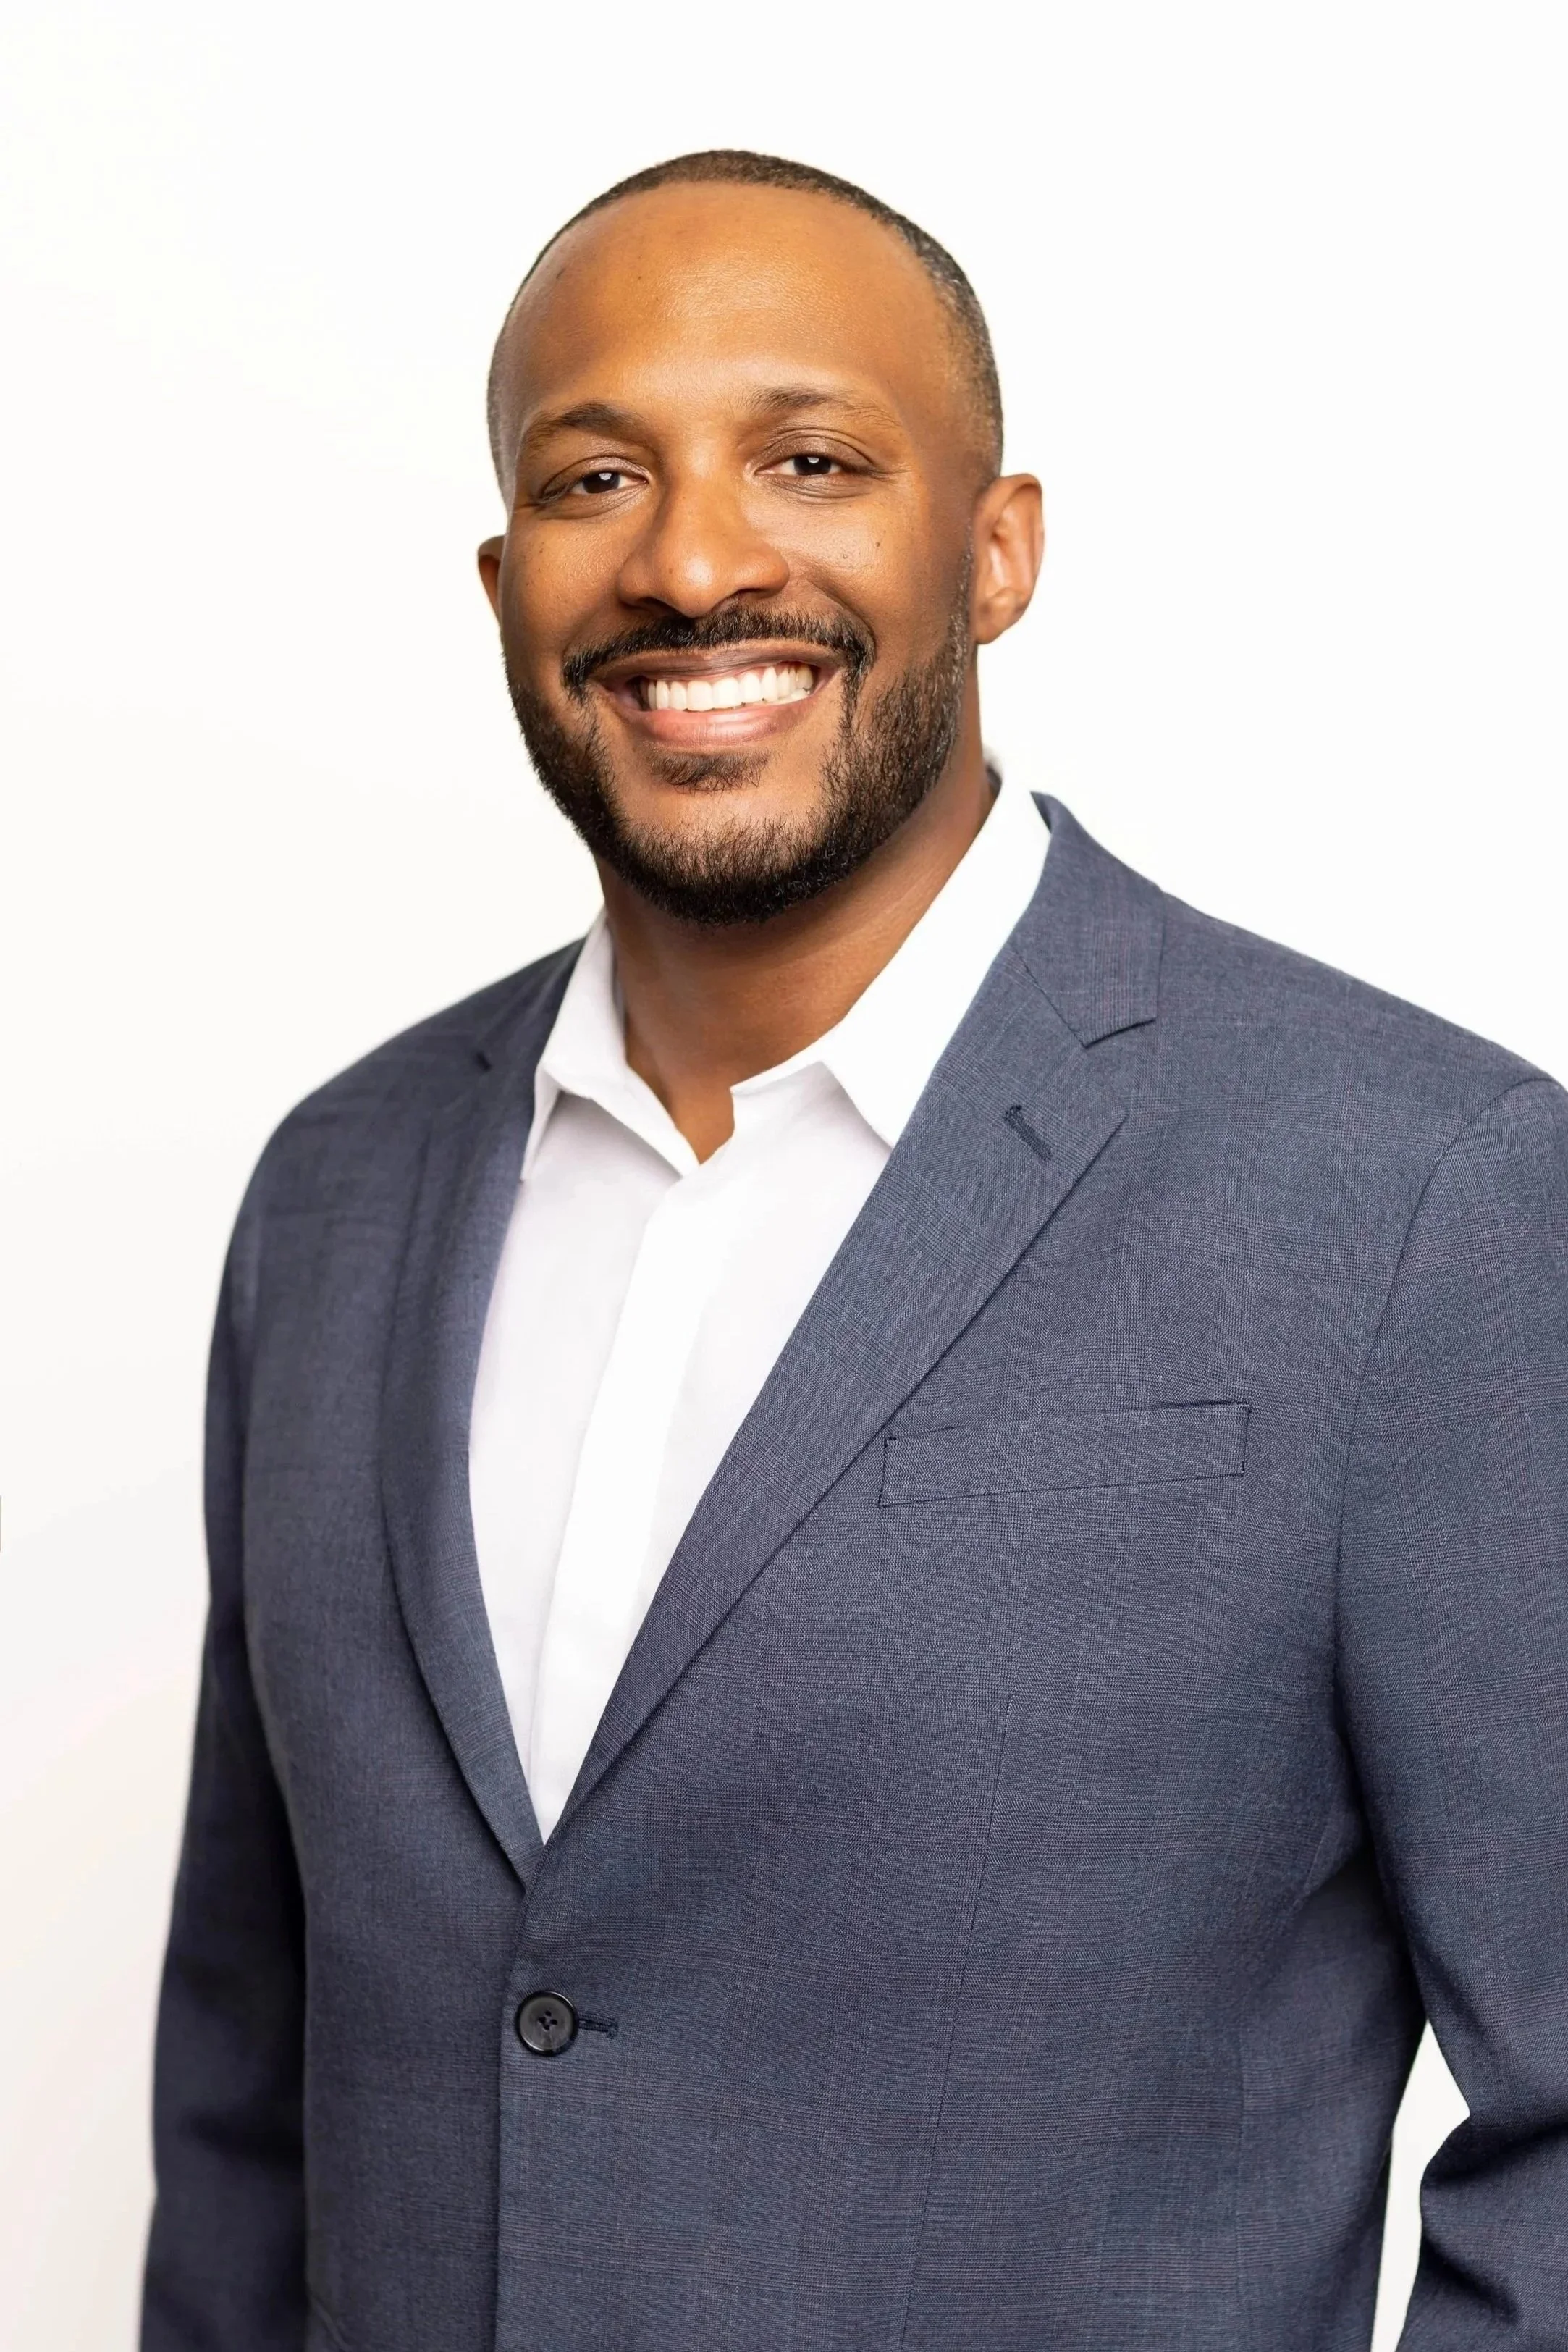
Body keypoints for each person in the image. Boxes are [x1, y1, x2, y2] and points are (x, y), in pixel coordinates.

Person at [142, 151, 1568, 2352]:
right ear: (509, 574)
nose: (694, 560)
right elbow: (248, 2098)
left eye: (809, 458)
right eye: (599, 474)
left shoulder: (1410, 1191)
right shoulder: (335, 1196)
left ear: (992, 552)